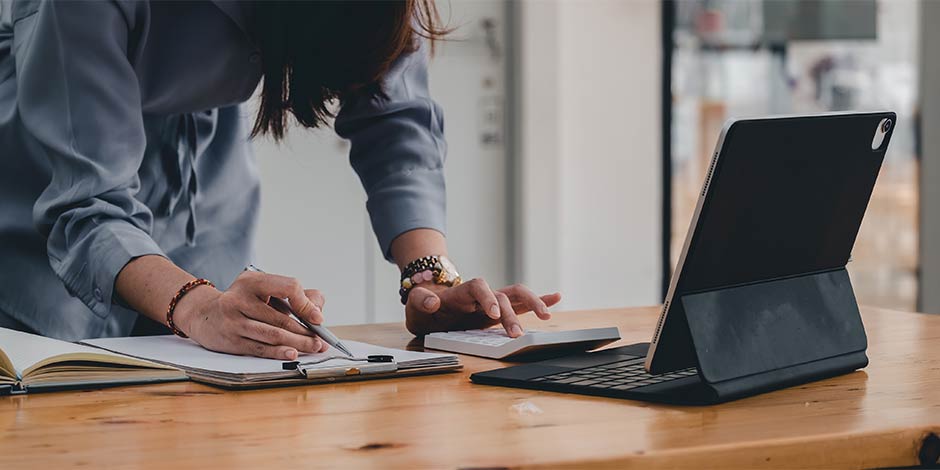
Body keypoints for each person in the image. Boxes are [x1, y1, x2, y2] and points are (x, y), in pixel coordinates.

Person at [0, 0, 561, 360]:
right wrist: (196, 308)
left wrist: (428, 279)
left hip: (206, 204)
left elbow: (394, 117)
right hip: (36, 216)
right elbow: (87, 202)